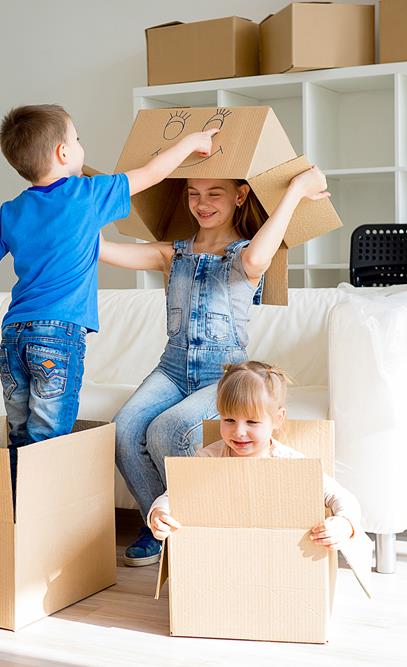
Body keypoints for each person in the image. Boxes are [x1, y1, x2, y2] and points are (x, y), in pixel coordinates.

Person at [0, 104, 218, 496]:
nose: (79, 144)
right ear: (63, 153)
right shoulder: (85, 195)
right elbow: (153, 173)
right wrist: (193, 141)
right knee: (50, 440)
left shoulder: (12, 210)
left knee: (21, 435)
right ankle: (47, 524)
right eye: (76, 138)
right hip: (57, 336)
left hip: (14, 337)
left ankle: (16, 518)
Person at [100, 166, 330, 565]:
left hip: (223, 375)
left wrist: (294, 191)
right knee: (123, 428)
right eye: (193, 193)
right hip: (171, 368)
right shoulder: (173, 253)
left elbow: (261, 255)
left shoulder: (244, 255)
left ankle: (198, 525)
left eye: (214, 194)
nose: (201, 204)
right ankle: (157, 524)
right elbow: (104, 250)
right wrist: (82, 202)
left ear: (240, 196)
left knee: (168, 428)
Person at [147, 361, 362, 551]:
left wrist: (344, 524)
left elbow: (341, 496)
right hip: (223, 553)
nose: (239, 432)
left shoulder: (291, 463)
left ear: (278, 419)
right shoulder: (208, 458)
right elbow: (173, 495)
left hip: (278, 553)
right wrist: (159, 514)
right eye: (229, 420)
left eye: (252, 422)